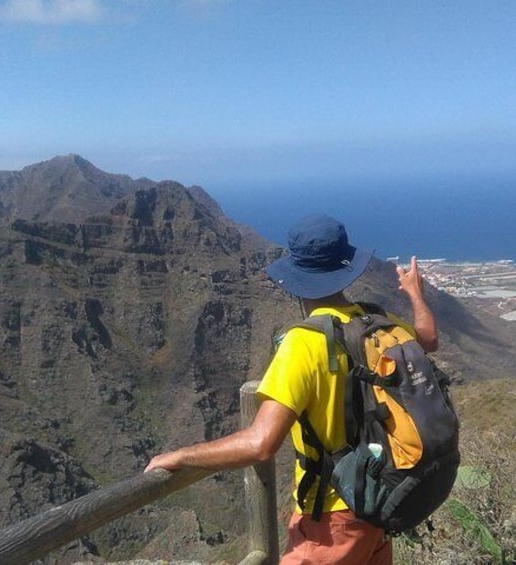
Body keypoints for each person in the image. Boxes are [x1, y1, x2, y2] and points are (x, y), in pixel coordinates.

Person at [145, 214, 439, 564]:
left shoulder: (304, 343)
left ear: (295, 280)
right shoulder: (375, 323)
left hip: (332, 520)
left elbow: (261, 444)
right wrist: (415, 294)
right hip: (378, 503)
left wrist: (180, 456)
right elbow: (428, 340)